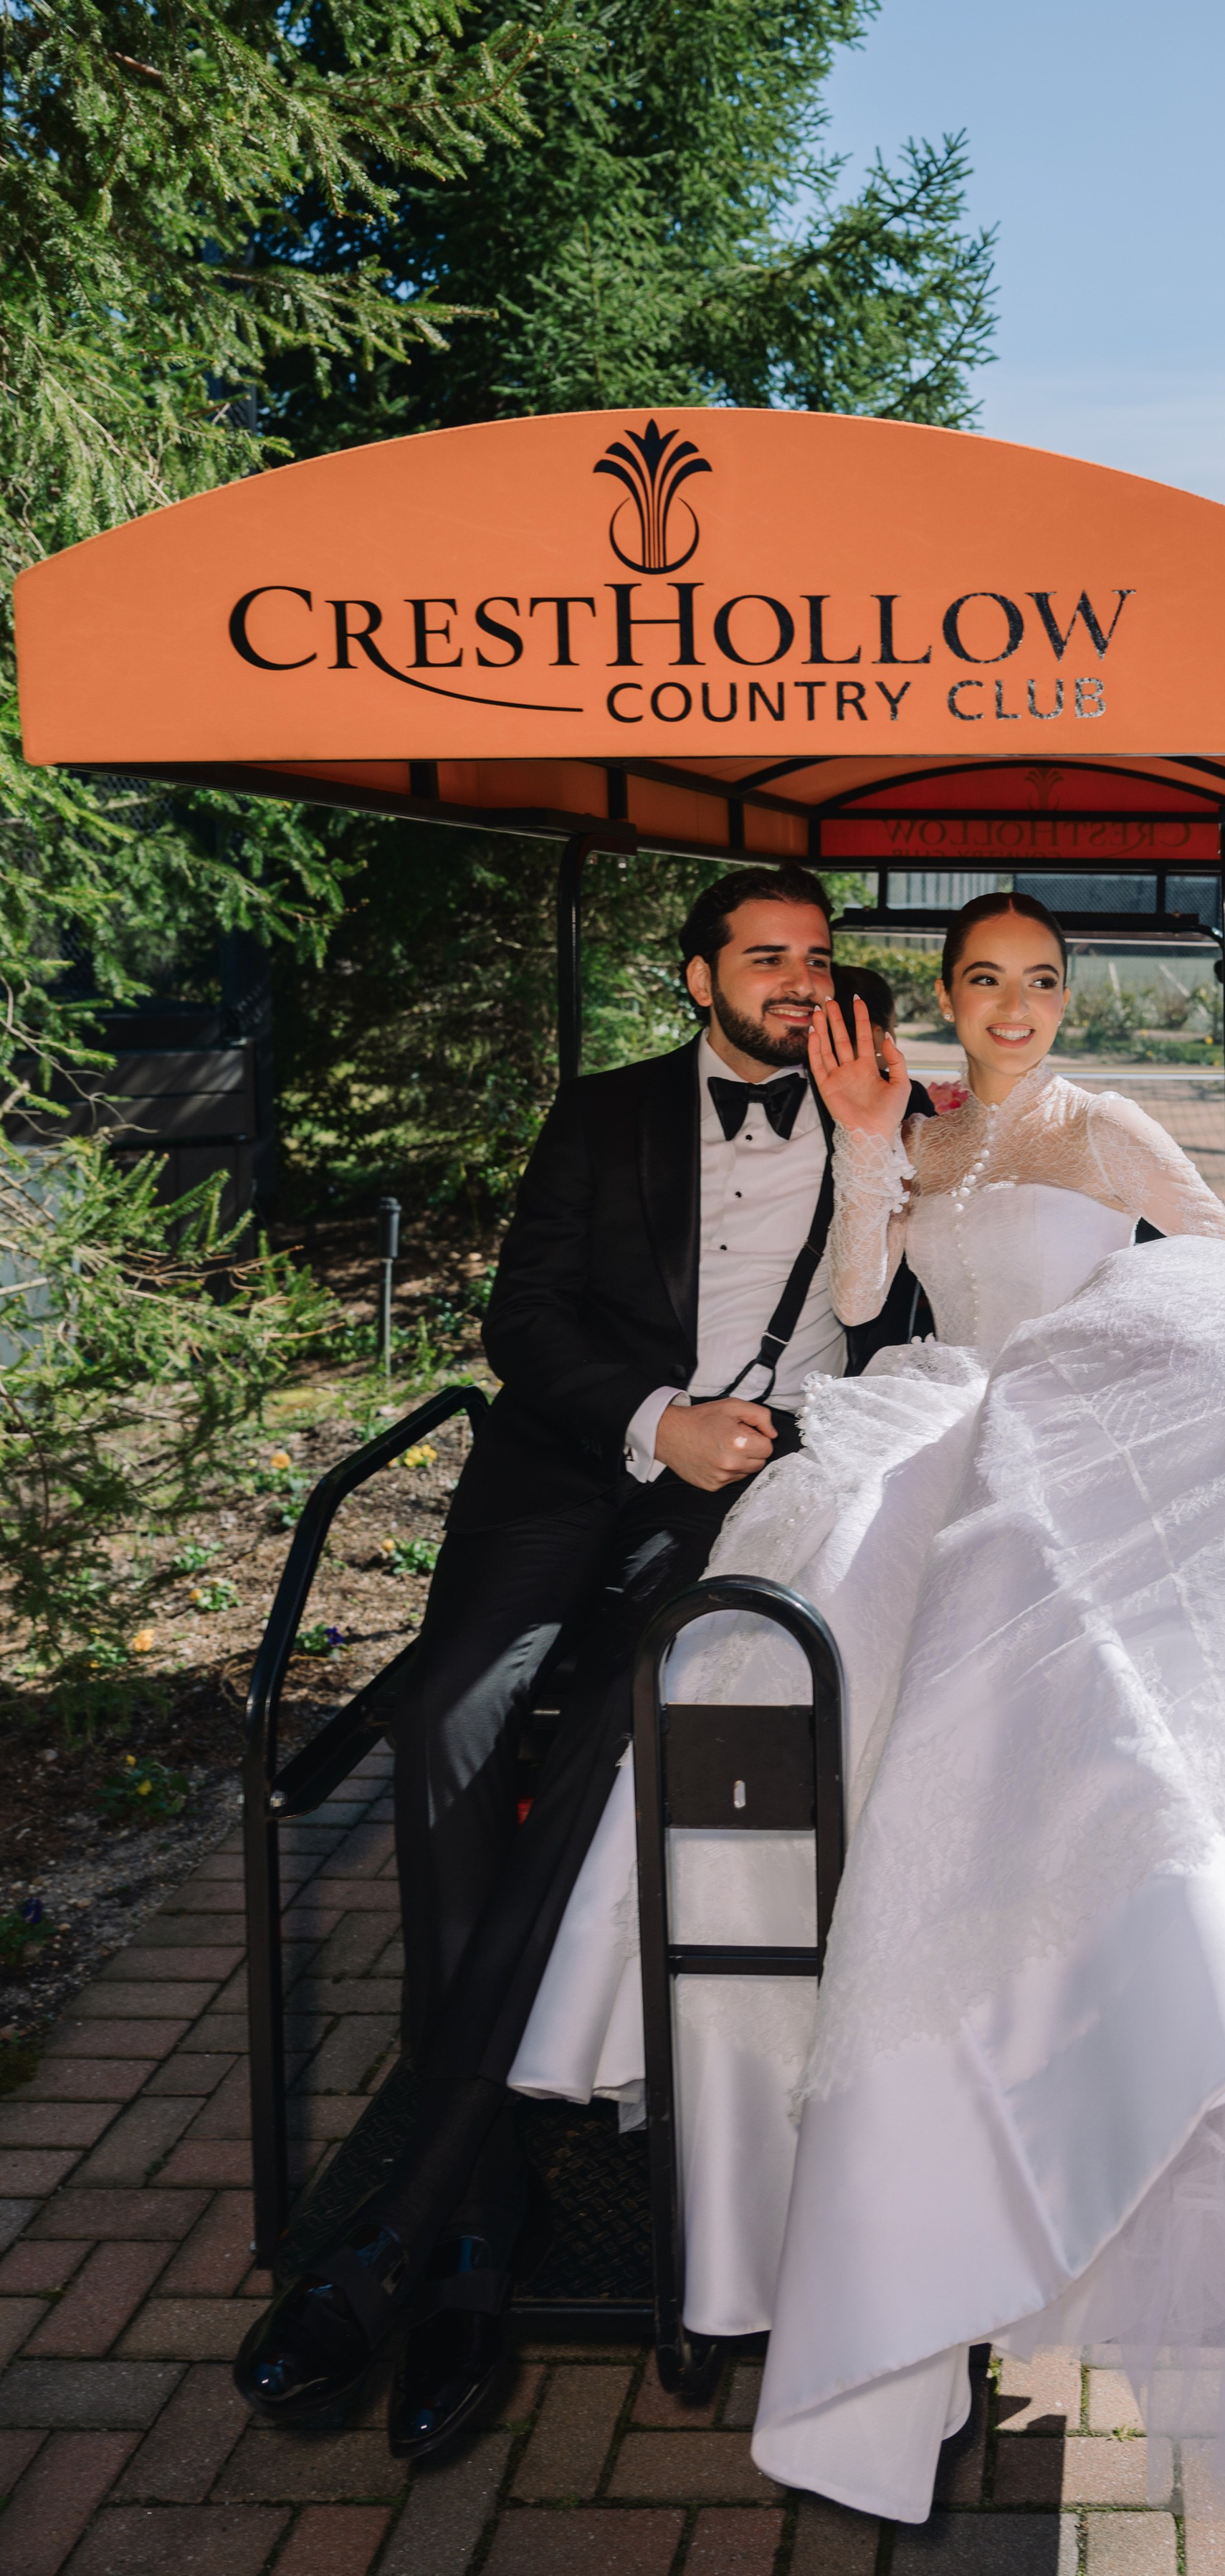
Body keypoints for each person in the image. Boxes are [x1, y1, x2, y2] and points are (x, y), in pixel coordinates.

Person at [510, 890, 1225, 2519]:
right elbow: (853, 1301)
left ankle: (1053, 2062)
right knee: (772, 1652)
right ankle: (776, 2157)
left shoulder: (1108, 1128)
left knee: (1038, 1681)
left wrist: (1153, 1388)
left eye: (1041, 981)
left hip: (1083, 1447)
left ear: (1066, 996)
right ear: (950, 1001)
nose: (1016, 1006)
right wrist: (860, 1146)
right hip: (941, 1420)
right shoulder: (917, 1123)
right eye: (986, 981)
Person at [234, 863, 920, 2457]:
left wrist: (876, 1148)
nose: (798, 981)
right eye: (764, 957)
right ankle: (476, 2189)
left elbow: (890, 1338)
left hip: (752, 1496)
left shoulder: (880, 1113)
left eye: (817, 956)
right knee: (458, 1724)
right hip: (566, 1471)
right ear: (696, 978)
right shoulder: (600, 1115)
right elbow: (522, 1317)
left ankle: (440, 2241)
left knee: (624, 1740)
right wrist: (648, 1422)